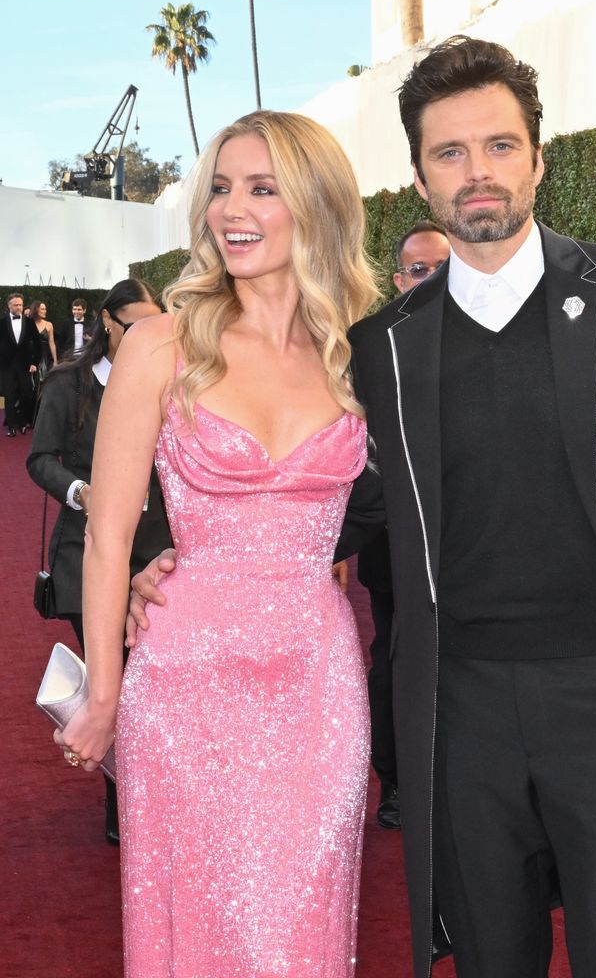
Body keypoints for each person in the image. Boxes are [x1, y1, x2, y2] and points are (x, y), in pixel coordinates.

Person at [131, 37, 596, 977]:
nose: (476, 172)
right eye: (448, 154)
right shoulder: (384, 345)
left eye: (498, 146)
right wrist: (179, 561)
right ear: (419, 178)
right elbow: (335, 491)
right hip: (460, 713)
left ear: (538, 157)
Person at [53, 111, 380, 976]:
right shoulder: (164, 344)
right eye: (222, 189)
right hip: (185, 684)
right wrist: (104, 697)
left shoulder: (361, 352)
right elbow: (109, 535)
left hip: (317, 686)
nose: (231, 209)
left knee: (300, 930)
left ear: (313, 206)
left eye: (262, 188)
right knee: (195, 929)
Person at [27, 279, 171, 843]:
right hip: (86, 555)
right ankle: (124, 808)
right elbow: (40, 460)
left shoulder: (174, 376)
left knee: (154, 685)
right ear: (107, 322)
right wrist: (83, 491)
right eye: (132, 324)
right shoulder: (69, 383)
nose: (144, 334)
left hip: (160, 553)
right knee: (113, 680)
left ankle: (156, 800)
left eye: (152, 322)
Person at [358, 220, 450, 830]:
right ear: (397, 280)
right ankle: (396, 784)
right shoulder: (370, 348)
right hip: (394, 545)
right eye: (419, 270)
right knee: (396, 662)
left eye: (442, 268)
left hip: (473, 548)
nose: (432, 280)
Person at [0, 292, 40, 435]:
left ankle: (22, 423)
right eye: (16, 305)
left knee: (26, 394)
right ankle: (11, 427)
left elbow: (37, 343)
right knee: (9, 396)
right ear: (9, 305)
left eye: (21, 305)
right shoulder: (2, 323)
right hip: (6, 366)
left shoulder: (29, 322)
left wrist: (35, 362)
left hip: (25, 365)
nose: (19, 307)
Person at [28, 300, 58, 380]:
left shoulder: (49, 325)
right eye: (42, 309)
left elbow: (52, 343)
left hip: (46, 358)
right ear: (36, 310)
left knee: (46, 381)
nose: (45, 311)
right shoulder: (27, 324)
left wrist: (55, 361)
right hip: (31, 357)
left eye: (45, 309)